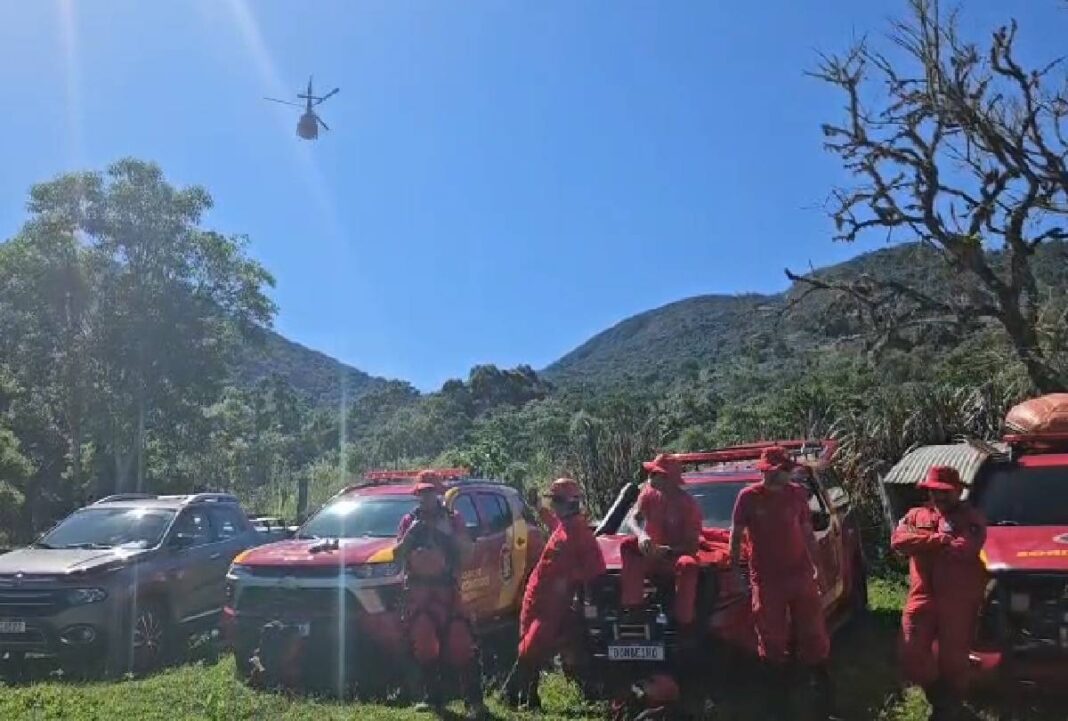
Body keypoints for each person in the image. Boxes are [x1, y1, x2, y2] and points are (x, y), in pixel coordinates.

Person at [729, 446, 836, 719]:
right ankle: (777, 698)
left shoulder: (797, 494)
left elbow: (808, 533)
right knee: (771, 635)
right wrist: (733, 571)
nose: (787, 474)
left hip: (799, 573)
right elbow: (736, 536)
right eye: (781, 470)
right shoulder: (748, 498)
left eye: (788, 470)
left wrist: (819, 571)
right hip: (767, 578)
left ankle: (821, 690)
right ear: (767, 471)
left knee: (813, 629)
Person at [891, 466, 986, 721]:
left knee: (954, 659)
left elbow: (964, 548)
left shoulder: (972, 518)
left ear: (958, 491)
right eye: (934, 492)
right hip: (922, 594)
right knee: (911, 650)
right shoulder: (915, 515)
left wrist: (921, 541)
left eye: (945, 492)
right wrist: (937, 540)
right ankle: (937, 693)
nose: (939, 497)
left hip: (957, 599)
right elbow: (898, 541)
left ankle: (950, 706)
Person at [506, 478, 606, 710]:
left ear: (572, 503)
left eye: (559, 501)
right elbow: (552, 522)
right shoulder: (565, 526)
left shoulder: (581, 534)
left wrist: (582, 599)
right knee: (527, 644)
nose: (556, 506)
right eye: (555, 501)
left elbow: (595, 573)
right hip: (536, 596)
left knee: (532, 647)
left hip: (554, 603)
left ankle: (519, 695)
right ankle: (523, 697)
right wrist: (537, 506)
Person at [394, 471, 486, 719]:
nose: (425, 497)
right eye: (421, 493)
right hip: (419, 592)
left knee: (461, 645)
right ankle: (432, 698)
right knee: (424, 644)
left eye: (429, 492)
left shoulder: (454, 519)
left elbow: (468, 553)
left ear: (438, 494)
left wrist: (449, 536)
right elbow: (396, 555)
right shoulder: (408, 521)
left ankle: (475, 702)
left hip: (447, 591)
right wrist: (410, 537)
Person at [619, 454, 702, 627]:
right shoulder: (648, 494)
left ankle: (684, 622)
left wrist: (667, 550)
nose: (650, 478)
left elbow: (692, 545)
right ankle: (634, 607)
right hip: (651, 554)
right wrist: (641, 535)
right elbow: (632, 519)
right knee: (627, 546)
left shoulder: (688, 505)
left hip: (673, 557)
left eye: (655, 474)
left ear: (668, 479)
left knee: (688, 565)